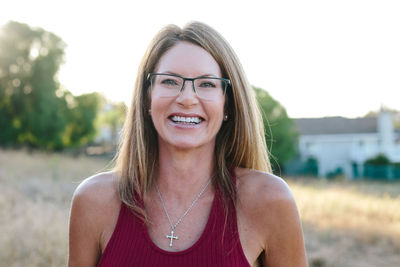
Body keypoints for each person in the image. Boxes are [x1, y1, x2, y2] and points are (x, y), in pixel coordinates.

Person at [68, 21, 307, 267]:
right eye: (170, 81)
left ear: (227, 103)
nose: (187, 99)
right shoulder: (93, 201)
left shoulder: (269, 200)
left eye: (206, 84)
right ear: (147, 97)